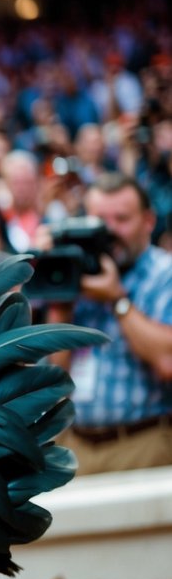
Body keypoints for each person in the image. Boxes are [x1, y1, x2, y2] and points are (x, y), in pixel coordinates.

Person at [43, 174, 172, 474]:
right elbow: (53, 379)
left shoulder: (164, 274)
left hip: (144, 444)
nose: (109, 231)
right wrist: (60, 296)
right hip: (78, 446)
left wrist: (118, 300)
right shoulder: (76, 272)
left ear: (148, 222)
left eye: (122, 219)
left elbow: (167, 361)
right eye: (100, 220)